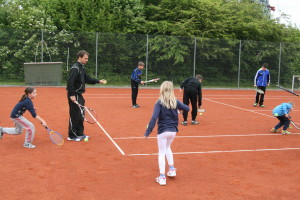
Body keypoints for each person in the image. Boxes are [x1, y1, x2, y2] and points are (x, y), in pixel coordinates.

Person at [145, 81, 190, 186]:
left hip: (163, 131)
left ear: (162, 89)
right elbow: (187, 108)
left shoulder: (159, 102)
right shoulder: (175, 101)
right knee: (167, 148)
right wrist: (179, 107)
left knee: (161, 152)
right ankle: (172, 169)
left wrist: (148, 131)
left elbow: (154, 117)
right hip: (173, 131)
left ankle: (162, 177)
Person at [67, 50, 106, 141]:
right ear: (80, 57)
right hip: (74, 95)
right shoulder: (75, 68)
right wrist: (72, 95)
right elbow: (70, 83)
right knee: (75, 115)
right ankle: (71, 136)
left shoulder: (81, 67)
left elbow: (87, 79)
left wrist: (98, 81)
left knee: (81, 114)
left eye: (87, 58)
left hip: (79, 95)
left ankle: (80, 133)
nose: (87, 60)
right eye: (85, 58)